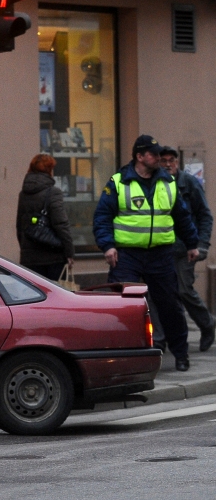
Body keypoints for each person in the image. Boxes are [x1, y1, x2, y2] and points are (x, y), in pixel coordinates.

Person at [93, 135, 199, 372]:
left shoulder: (168, 182)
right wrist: (107, 246)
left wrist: (192, 243)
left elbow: (181, 216)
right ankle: (118, 357)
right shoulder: (119, 182)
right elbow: (102, 217)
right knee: (122, 305)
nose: (159, 158)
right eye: (153, 154)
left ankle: (180, 354)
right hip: (126, 255)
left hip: (160, 255)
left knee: (170, 305)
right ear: (140, 157)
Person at [159, 146, 215, 352]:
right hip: (162, 248)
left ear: (177, 162)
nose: (167, 164)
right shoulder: (157, 184)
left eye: (171, 160)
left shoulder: (189, 183)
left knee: (184, 290)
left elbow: (205, 216)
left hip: (185, 249)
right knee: (163, 294)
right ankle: (163, 338)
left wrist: (201, 245)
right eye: (163, 160)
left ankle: (207, 323)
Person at [15, 153, 75, 281]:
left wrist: (25, 250)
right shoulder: (53, 192)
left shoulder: (23, 193)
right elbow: (61, 224)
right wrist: (69, 252)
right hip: (53, 258)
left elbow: (20, 226)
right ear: (49, 170)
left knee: (35, 297)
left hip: (29, 259)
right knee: (56, 296)